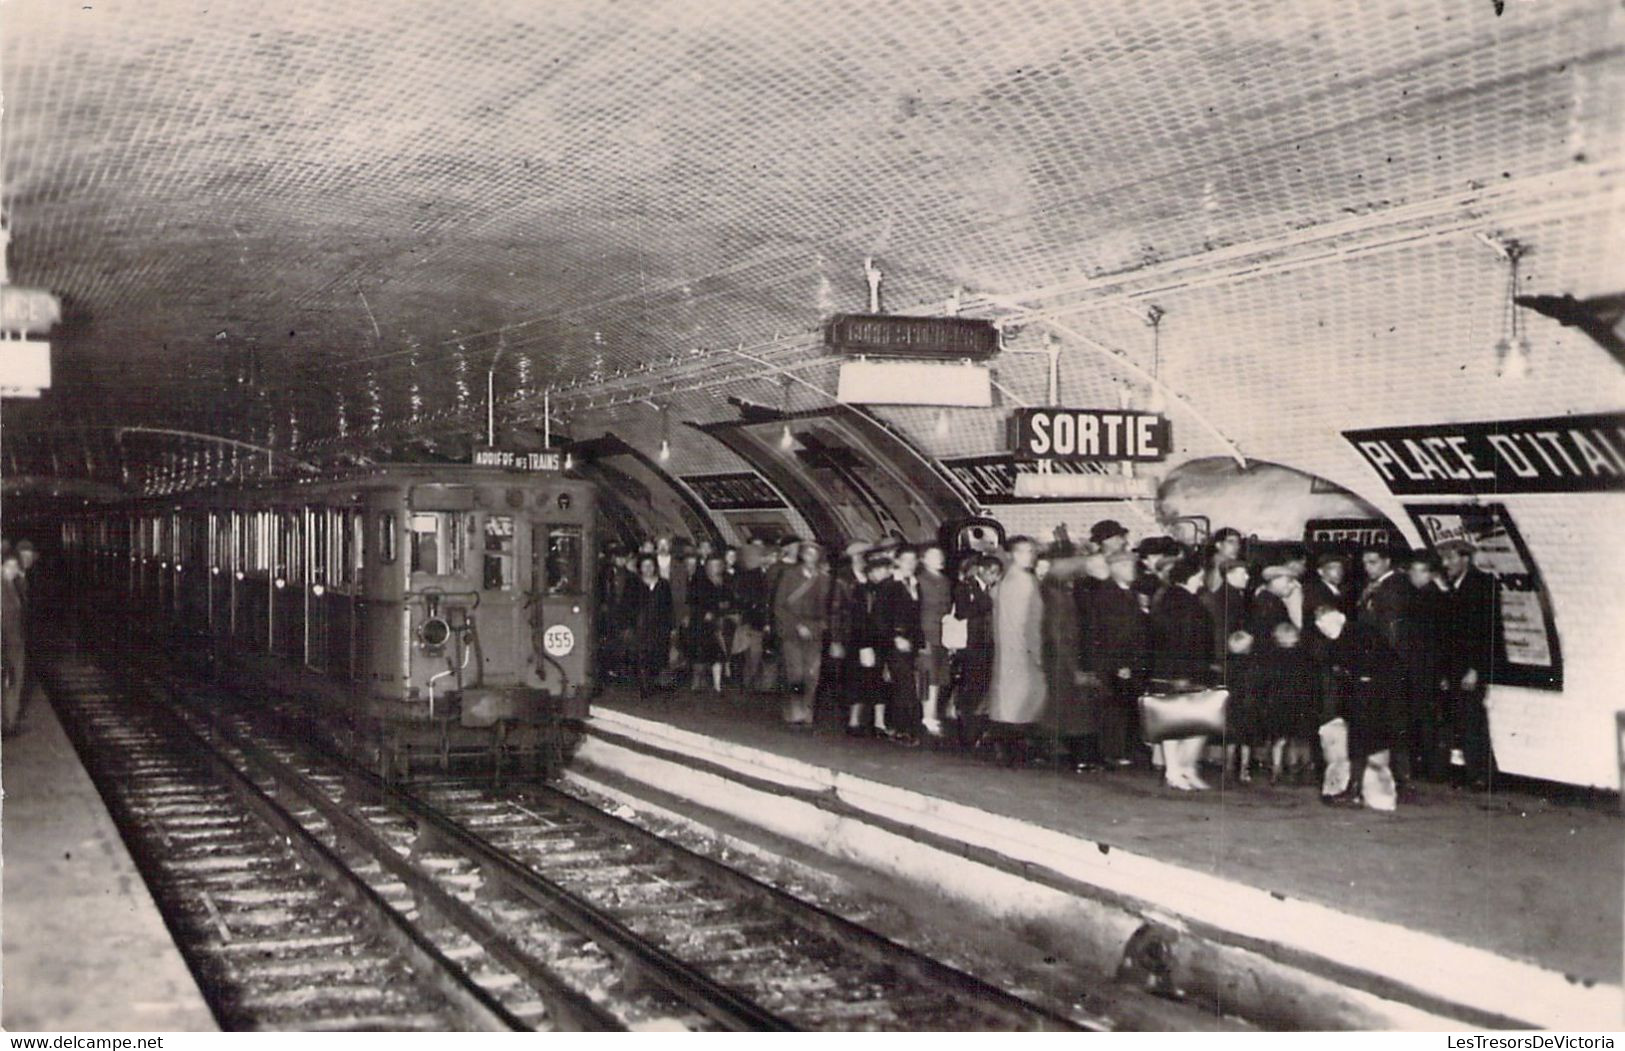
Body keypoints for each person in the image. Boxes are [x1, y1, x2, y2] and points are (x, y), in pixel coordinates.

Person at [1315, 605, 1405, 808]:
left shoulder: (1359, 633)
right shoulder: (1338, 639)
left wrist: (1363, 679)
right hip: (1361, 696)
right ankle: (1357, 789)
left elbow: (1378, 663)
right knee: (1362, 744)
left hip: (1373, 696)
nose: (1324, 628)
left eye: (1327, 622)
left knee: (1364, 744)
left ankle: (1357, 791)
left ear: (1340, 617)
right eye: (1320, 625)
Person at [1148, 556, 1218, 790]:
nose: (1202, 579)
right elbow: (1181, 639)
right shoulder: (1179, 600)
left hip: (1186, 669)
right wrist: (1184, 671)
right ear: (1190, 575)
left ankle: (1185, 768)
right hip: (1179, 670)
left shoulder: (1181, 598)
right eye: (1199, 575)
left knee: (1192, 721)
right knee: (1176, 722)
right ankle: (1174, 770)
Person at [1437, 539, 1501, 789]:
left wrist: (1476, 669)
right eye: (1444, 559)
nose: (1446, 564)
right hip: (1454, 667)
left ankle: (1484, 775)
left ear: (1466, 558)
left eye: (1451, 558)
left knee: (1473, 721)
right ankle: (1474, 772)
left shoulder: (1483, 584)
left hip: (1471, 668)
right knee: (1461, 721)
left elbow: (1487, 631)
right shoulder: (1454, 587)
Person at [1085, 549, 1148, 768]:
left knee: (1123, 706)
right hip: (1116, 662)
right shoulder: (1108, 594)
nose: (1132, 571)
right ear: (1115, 568)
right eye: (1126, 566)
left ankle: (1120, 750)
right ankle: (1113, 752)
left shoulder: (1129, 593)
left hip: (1128, 661)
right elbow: (1112, 632)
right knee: (1114, 708)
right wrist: (1120, 663)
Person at [984, 536, 1045, 764]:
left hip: (1008, 647)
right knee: (1025, 698)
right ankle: (1013, 746)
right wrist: (1037, 651)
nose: (1030, 556)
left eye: (1031, 551)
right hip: (1024, 648)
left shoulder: (1005, 580)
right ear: (1012, 554)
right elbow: (1031, 620)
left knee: (1008, 697)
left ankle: (1003, 744)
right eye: (1024, 551)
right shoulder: (1026, 582)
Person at [1397, 552, 1448, 785]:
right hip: (1421, 668)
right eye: (1412, 570)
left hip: (1424, 668)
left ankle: (1429, 766)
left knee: (1425, 719)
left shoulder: (1430, 600)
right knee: (1422, 718)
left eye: (1419, 570)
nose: (1413, 575)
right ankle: (1427, 766)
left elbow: (1436, 640)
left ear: (1430, 573)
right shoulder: (1422, 596)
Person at [773, 540, 830, 726]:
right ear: (802, 555)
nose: (811, 557)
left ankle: (807, 709)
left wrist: (823, 624)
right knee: (795, 671)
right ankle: (794, 709)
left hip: (815, 630)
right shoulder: (789, 575)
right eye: (808, 553)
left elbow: (828, 607)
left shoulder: (824, 578)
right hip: (792, 630)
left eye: (815, 553)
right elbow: (779, 606)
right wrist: (796, 624)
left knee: (812, 673)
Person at [1256, 621, 1319, 784]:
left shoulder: (1271, 656)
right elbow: (1311, 680)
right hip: (1299, 700)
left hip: (1277, 701)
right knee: (1297, 738)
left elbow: (1265, 680)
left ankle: (1276, 769)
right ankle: (1296, 769)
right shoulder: (1305, 656)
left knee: (1279, 739)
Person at [876, 546, 924, 741]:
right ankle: (907, 728)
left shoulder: (914, 584)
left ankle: (899, 727)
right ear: (897, 562)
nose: (911, 564)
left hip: (909, 641)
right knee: (905, 685)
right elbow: (880, 617)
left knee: (902, 684)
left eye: (914, 560)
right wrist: (895, 638)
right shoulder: (889, 585)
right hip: (894, 641)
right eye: (906, 560)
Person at [951, 555, 998, 745]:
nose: (994, 577)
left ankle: (976, 730)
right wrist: (984, 602)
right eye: (991, 572)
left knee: (982, 686)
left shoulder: (988, 589)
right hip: (972, 645)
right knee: (972, 687)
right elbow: (962, 612)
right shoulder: (966, 587)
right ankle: (967, 732)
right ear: (981, 570)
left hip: (987, 643)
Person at [846, 551, 895, 736]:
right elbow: (860, 619)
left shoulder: (882, 590)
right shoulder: (864, 591)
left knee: (876, 681)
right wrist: (864, 645)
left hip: (878, 642)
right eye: (879, 570)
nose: (883, 574)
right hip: (865, 642)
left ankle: (877, 722)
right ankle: (857, 720)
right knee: (862, 680)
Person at [916, 545, 954, 738]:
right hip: (926, 632)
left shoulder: (945, 580)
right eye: (934, 556)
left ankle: (932, 714)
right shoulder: (920, 580)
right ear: (923, 559)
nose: (939, 558)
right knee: (927, 675)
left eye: (940, 555)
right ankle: (926, 716)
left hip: (942, 633)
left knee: (938, 676)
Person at [630, 554, 674, 699]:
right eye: (645, 566)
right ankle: (644, 686)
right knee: (642, 655)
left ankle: (657, 683)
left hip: (659, 626)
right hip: (641, 625)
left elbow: (669, 606)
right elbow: (627, 605)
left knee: (658, 655)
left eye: (650, 565)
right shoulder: (634, 584)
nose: (648, 569)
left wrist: (671, 625)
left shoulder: (663, 584)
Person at [688, 554, 734, 693]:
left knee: (718, 655)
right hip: (701, 624)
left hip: (720, 622)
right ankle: (697, 682)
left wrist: (722, 608)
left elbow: (730, 601)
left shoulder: (726, 582)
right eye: (713, 566)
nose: (716, 569)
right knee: (700, 655)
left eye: (719, 566)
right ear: (707, 567)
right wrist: (704, 613)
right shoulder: (698, 582)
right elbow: (692, 602)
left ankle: (717, 685)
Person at [731, 541, 773, 691]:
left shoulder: (765, 574)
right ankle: (748, 683)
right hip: (754, 621)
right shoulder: (752, 576)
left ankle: (753, 683)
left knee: (756, 654)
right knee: (753, 654)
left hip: (761, 620)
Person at [2, 550, 26, 736]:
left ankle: (10, 722)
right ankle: (7, 724)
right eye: (8, 566)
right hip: (6, 643)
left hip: (14, 642)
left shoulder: (12, 584)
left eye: (14, 566)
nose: (12, 570)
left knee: (13, 682)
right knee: (9, 682)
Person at [1303, 552, 1355, 639]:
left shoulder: (1340, 592)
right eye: (1332, 568)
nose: (1338, 572)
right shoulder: (1316, 592)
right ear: (1320, 571)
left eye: (1340, 568)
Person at [1247, 564, 1304, 638]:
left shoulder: (1272, 600)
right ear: (1276, 582)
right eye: (1290, 581)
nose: (1295, 585)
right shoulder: (1269, 604)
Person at [1204, 527, 1243, 592]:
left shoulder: (1234, 563)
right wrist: (1218, 564)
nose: (1236, 546)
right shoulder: (1208, 563)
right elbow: (1213, 588)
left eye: (1238, 543)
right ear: (1218, 545)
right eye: (1231, 542)